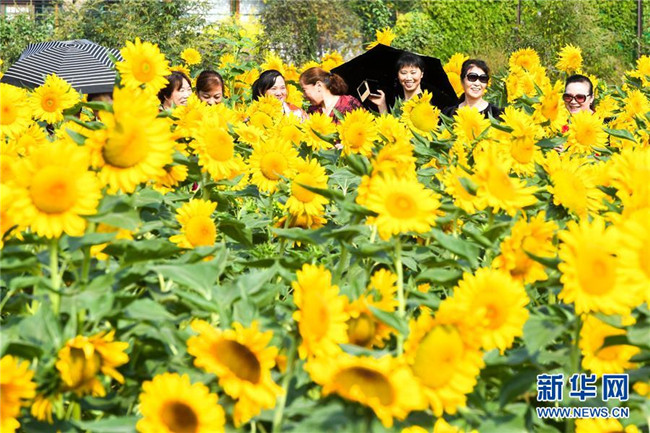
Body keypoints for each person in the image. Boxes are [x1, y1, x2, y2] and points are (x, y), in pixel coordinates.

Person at [370, 52, 439, 113]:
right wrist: (382, 104)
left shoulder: (424, 103)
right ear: (398, 75)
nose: (408, 78)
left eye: (413, 72)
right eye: (403, 73)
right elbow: (391, 123)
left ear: (422, 74)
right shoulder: (400, 103)